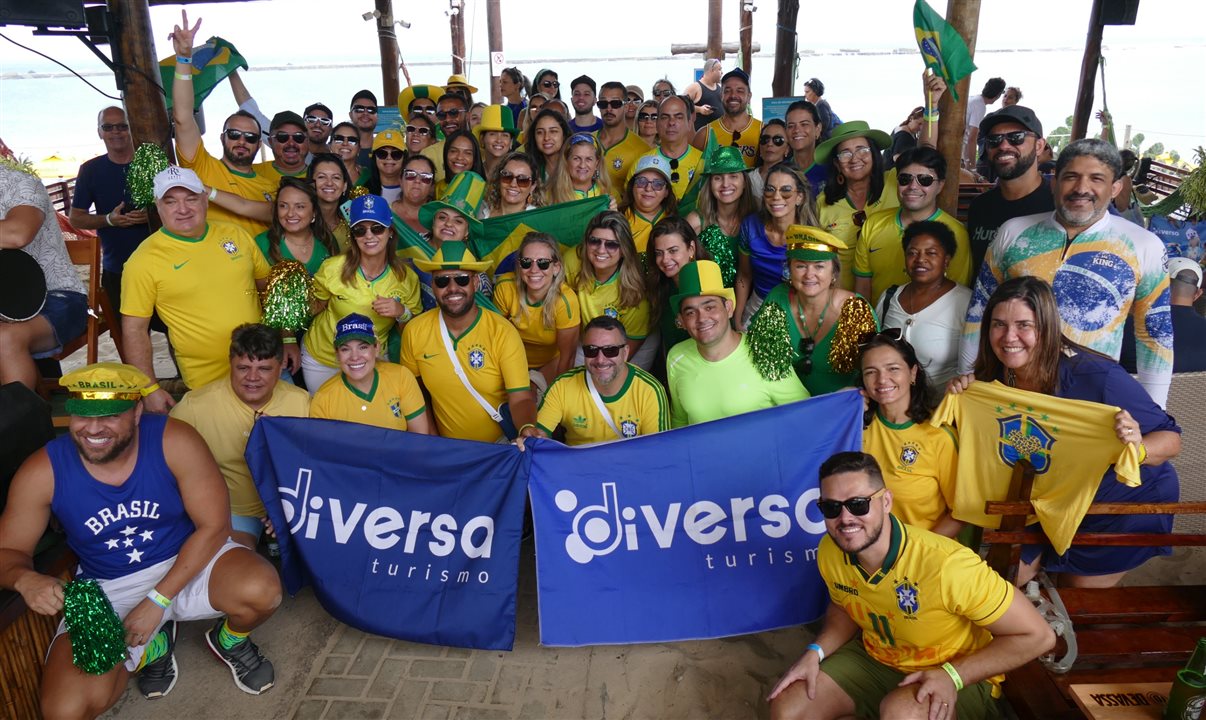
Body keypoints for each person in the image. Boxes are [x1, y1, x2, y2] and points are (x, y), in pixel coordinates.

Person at [0, 362, 283, 714]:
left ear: (136, 412)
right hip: (108, 584)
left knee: (261, 589)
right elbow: (8, 551)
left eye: (109, 415)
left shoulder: (174, 439)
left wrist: (157, 603)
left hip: (189, 559)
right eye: (82, 416)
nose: (93, 429)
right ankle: (153, 648)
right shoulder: (42, 471)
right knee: (66, 710)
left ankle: (229, 640)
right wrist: (25, 579)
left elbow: (214, 526)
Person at [767, 451, 1055, 720]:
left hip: (954, 671)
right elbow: (844, 605)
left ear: (886, 501)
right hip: (876, 659)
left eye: (858, 504)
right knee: (787, 707)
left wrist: (953, 676)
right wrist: (814, 652)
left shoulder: (947, 565)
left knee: (901, 712)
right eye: (831, 508)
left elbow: (1039, 636)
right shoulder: (830, 551)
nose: (845, 518)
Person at [952, 277, 1181, 587]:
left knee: (1078, 603)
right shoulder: (993, 380)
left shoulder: (1098, 376)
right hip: (1047, 499)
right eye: (998, 325)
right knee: (1003, 581)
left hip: (1116, 501)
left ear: (1046, 329)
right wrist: (964, 393)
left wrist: (1136, 448)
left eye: (1024, 325)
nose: (1009, 337)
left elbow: (1171, 441)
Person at [961, 138, 1174, 408]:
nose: (1082, 188)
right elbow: (979, 312)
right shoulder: (1013, 233)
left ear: (1115, 188)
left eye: (1097, 178)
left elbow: (1154, 335)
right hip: (1011, 392)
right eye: (1071, 177)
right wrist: (967, 379)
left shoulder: (1144, 246)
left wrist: (1152, 410)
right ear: (1054, 183)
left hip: (1091, 402)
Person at [121, 166, 271, 412]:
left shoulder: (236, 234)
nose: (183, 209)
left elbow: (267, 288)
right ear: (158, 207)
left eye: (191, 198)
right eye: (171, 202)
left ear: (205, 200)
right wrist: (149, 389)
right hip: (206, 380)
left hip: (263, 365)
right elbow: (134, 329)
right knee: (220, 447)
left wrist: (284, 339)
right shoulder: (143, 261)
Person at [170, 324, 309, 549]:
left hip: (291, 507)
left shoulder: (302, 402)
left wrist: (292, 510)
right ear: (230, 363)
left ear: (280, 366)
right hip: (233, 510)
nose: (252, 378)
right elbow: (164, 460)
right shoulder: (195, 407)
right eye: (243, 368)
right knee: (239, 567)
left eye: (264, 369)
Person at [400, 242, 536, 442]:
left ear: (476, 283)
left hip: (500, 446)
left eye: (462, 279)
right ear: (433, 286)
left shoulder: (502, 331)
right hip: (451, 450)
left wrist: (526, 428)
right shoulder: (414, 331)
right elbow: (416, 391)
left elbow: (521, 397)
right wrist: (433, 438)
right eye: (442, 281)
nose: (452, 288)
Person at [169, 12, 276, 237]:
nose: (241, 141)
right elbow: (183, 116)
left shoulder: (270, 186)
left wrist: (208, 191)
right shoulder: (201, 167)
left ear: (259, 144)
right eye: (234, 134)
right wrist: (184, 60)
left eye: (250, 138)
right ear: (222, 137)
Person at [301, 194, 421, 392]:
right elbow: (314, 307)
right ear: (352, 235)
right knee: (324, 419)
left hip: (370, 361)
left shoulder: (406, 278)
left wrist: (402, 312)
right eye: (360, 230)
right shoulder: (333, 268)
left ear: (390, 231)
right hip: (322, 358)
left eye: (377, 228)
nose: (369, 236)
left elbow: (412, 332)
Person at [667, 260, 809, 426]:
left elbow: (804, 414)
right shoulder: (676, 358)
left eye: (710, 307)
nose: (702, 318)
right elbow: (680, 424)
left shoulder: (765, 352)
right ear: (682, 321)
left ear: (728, 308)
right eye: (690, 312)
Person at [746, 226, 877, 396]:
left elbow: (874, 370)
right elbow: (761, 358)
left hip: (843, 408)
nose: (809, 275)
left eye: (819, 266)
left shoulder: (856, 309)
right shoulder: (777, 298)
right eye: (801, 266)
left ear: (834, 273)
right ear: (789, 271)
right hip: (788, 404)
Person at [859, 334, 962, 536]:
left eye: (893, 369)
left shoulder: (939, 434)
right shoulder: (854, 429)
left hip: (925, 555)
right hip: (867, 555)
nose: (882, 379)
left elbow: (960, 514)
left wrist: (913, 552)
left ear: (913, 373)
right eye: (871, 372)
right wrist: (840, 410)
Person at [0, 165, 89, 392]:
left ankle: (20, 424)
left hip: (57, 297)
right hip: (5, 303)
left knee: (4, 338)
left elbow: (17, 233)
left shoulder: (19, 181)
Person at [519, 315, 670, 446]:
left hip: (628, 471)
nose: (600, 360)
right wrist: (530, 437)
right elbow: (539, 436)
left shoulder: (649, 390)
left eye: (610, 350)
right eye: (591, 350)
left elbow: (657, 451)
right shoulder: (563, 385)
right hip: (579, 472)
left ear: (625, 353)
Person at [853, 146, 972, 307]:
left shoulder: (956, 233)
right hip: (879, 325)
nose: (913, 186)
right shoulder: (873, 224)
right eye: (905, 179)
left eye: (924, 179)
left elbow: (956, 293)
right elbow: (863, 287)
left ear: (940, 185)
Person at [69, 107, 151, 323]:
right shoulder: (90, 170)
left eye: (122, 126)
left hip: (160, 263)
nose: (116, 132)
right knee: (128, 336)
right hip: (118, 268)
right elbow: (75, 218)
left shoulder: (151, 163)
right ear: (100, 132)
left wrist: (152, 215)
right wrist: (108, 219)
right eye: (108, 127)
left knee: (175, 332)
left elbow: (181, 205)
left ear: (131, 128)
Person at [875, 221, 973, 393]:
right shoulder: (889, 297)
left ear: (946, 260)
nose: (920, 259)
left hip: (942, 410)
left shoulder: (966, 303)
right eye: (912, 253)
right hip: (895, 409)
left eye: (931, 253)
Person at [965, 105, 1054, 275]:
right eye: (994, 140)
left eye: (1016, 137)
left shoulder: (1058, 204)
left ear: (1039, 145)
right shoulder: (980, 206)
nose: (1004, 146)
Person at [310, 313, 431, 433]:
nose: (355, 357)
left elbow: (419, 439)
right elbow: (323, 450)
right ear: (337, 354)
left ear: (377, 348)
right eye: (345, 349)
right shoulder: (323, 398)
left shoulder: (401, 376)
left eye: (363, 347)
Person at [815, 121, 898, 291]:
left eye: (862, 150)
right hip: (842, 301)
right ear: (837, 164)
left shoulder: (896, 182)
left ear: (874, 155)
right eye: (845, 153)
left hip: (893, 298)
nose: (854, 159)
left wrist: (931, 110)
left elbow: (928, 157)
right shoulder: (823, 202)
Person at [492, 232, 581, 389]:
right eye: (527, 262)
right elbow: (495, 339)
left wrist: (558, 393)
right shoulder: (505, 287)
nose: (534, 270)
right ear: (519, 266)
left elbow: (567, 356)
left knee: (530, 395)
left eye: (543, 263)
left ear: (556, 267)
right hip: (510, 359)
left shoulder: (565, 301)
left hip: (549, 363)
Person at [735, 163, 819, 329]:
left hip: (799, 309)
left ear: (800, 197)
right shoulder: (750, 226)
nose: (776, 197)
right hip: (758, 304)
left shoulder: (812, 237)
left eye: (786, 190)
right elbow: (744, 275)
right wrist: (737, 319)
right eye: (770, 189)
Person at [575, 211, 652, 363]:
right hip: (587, 338)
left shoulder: (634, 293)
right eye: (594, 241)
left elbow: (625, 352)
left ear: (624, 250)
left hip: (629, 343)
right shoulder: (573, 262)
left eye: (611, 244)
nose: (601, 250)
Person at [685, 146, 758, 288]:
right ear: (710, 184)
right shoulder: (695, 221)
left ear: (744, 183)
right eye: (718, 177)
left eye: (733, 176)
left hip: (749, 304)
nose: (725, 184)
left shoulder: (756, 220)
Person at [1121, 257, 1206, 374]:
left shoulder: (1130, 326)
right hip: (1196, 392)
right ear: (1197, 294)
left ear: (1159, 286)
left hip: (1140, 391)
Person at [646, 217, 711, 357]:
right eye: (659, 253)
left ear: (691, 249)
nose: (665, 259)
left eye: (673, 250)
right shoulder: (660, 286)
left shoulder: (707, 282)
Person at [254, 176, 338, 278]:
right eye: (283, 206)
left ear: (314, 212)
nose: (290, 214)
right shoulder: (262, 243)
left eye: (300, 207)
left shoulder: (327, 240)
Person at [692, 68, 761, 168]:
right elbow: (694, 176)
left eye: (740, 91)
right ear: (721, 96)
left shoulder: (762, 132)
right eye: (727, 91)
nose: (733, 95)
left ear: (749, 96)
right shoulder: (704, 135)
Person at [641, 94, 703, 200]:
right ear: (657, 124)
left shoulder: (704, 162)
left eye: (678, 117)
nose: (671, 123)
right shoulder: (641, 164)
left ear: (689, 123)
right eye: (665, 117)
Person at [597, 80, 651, 194]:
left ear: (626, 106)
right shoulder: (587, 141)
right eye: (603, 104)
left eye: (615, 103)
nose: (609, 109)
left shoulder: (642, 149)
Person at [620, 155, 679, 255]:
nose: (648, 188)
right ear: (632, 186)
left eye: (658, 184)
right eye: (642, 181)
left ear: (666, 192)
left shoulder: (676, 220)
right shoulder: (619, 219)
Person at [548, 133, 613, 203]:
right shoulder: (550, 195)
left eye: (588, 159)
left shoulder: (607, 192)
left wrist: (613, 211)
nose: (582, 165)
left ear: (596, 163)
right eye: (576, 158)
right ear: (566, 161)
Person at [308, 153, 353, 252]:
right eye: (321, 177)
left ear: (344, 186)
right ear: (311, 183)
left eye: (336, 177)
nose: (329, 183)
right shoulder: (300, 218)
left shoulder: (353, 222)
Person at [783, 100, 827, 195]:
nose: (797, 130)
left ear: (817, 129)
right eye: (791, 126)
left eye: (804, 124)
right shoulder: (781, 170)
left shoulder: (831, 170)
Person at [391, 154, 439, 240]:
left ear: (432, 186)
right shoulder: (385, 213)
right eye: (410, 175)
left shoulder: (440, 219)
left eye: (425, 177)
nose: (417, 181)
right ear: (400, 181)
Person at [963, 77, 1006, 170]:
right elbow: (972, 139)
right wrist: (972, 167)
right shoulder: (980, 106)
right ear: (998, 95)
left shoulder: (973, 99)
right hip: (960, 152)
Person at [253, 111, 309, 182]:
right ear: (270, 141)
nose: (291, 143)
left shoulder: (322, 177)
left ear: (307, 141)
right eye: (282, 137)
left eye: (298, 137)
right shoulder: (252, 173)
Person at [525, 107, 570, 182]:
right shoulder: (530, 169)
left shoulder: (576, 166)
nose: (546, 137)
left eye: (553, 131)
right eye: (540, 132)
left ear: (564, 135)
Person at [362, 129, 406, 204]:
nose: (389, 158)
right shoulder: (363, 191)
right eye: (382, 153)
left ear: (404, 158)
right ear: (374, 157)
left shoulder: (412, 189)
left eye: (396, 154)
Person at [438, 130, 486, 198]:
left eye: (467, 153)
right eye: (454, 151)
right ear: (446, 153)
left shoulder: (484, 190)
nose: (460, 157)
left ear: (475, 158)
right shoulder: (438, 187)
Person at [475, 104, 518, 178]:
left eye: (505, 135)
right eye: (492, 134)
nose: (499, 140)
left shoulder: (515, 175)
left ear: (511, 142)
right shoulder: (472, 172)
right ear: (482, 139)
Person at [752, 119, 792, 196]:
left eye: (777, 140)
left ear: (787, 149)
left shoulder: (794, 179)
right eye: (765, 139)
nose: (770, 144)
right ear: (760, 146)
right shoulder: (748, 179)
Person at [686, 58, 724, 130]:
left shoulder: (719, 88)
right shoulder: (695, 87)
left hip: (718, 135)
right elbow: (681, 105)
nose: (722, 72)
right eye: (719, 69)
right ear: (711, 70)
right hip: (701, 136)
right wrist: (699, 109)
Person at [347, 89, 380, 165]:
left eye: (371, 110)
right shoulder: (339, 149)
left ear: (377, 116)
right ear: (350, 115)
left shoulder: (388, 153)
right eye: (359, 109)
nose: (365, 113)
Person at [329, 121, 364, 185]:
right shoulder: (316, 173)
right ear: (330, 145)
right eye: (339, 139)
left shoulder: (368, 175)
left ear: (359, 149)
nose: (345, 143)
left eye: (352, 140)